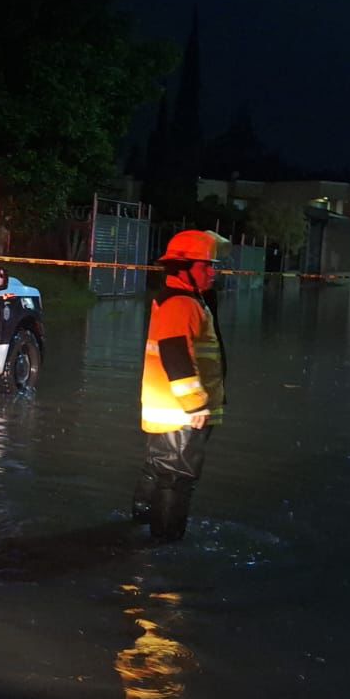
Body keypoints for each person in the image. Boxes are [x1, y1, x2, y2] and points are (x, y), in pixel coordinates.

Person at [132, 229, 229, 541]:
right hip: (182, 412)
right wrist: (196, 404)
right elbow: (175, 354)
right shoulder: (182, 304)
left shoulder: (182, 300)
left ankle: (141, 525)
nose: (213, 272)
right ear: (183, 268)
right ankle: (164, 545)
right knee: (177, 477)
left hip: (169, 407)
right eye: (206, 265)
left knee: (159, 468)